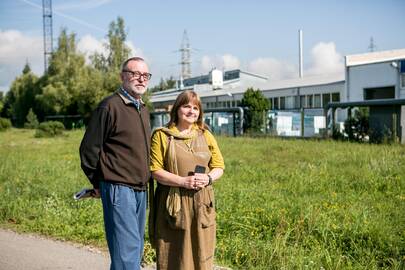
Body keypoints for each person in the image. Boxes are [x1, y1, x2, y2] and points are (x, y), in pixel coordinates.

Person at [79, 57, 152, 270]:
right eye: (135, 73)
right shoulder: (110, 106)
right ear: (122, 76)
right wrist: (98, 183)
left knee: (132, 251)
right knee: (126, 254)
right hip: (119, 188)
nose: (141, 79)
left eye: (145, 75)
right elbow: (88, 149)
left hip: (140, 189)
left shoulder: (143, 109)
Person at [149, 90, 225, 270]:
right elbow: (155, 170)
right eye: (186, 106)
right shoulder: (162, 135)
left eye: (195, 108)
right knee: (174, 257)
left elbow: (219, 166)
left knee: (201, 255)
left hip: (202, 204)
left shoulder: (205, 134)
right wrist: (182, 182)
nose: (191, 111)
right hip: (173, 204)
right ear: (177, 109)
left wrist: (208, 178)